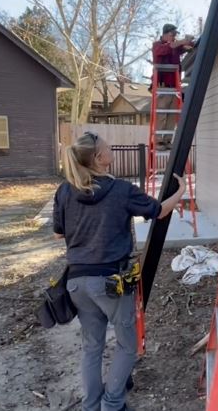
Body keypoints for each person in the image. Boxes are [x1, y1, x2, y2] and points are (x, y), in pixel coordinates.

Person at [53, 132, 187, 411]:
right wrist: (181, 191)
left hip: (76, 282)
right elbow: (159, 211)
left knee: (92, 347)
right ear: (100, 159)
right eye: (108, 149)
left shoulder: (65, 190)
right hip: (111, 281)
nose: (111, 151)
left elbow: (58, 234)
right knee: (127, 346)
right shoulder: (120, 190)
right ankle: (112, 404)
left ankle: (91, 406)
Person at [151, 24, 194, 150]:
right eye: (172, 34)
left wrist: (189, 43)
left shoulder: (175, 46)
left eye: (175, 35)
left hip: (174, 86)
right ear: (165, 33)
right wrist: (183, 41)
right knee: (162, 114)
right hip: (162, 86)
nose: (174, 37)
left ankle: (167, 140)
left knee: (171, 116)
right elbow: (168, 48)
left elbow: (186, 46)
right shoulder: (157, 45)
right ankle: (159, 141)